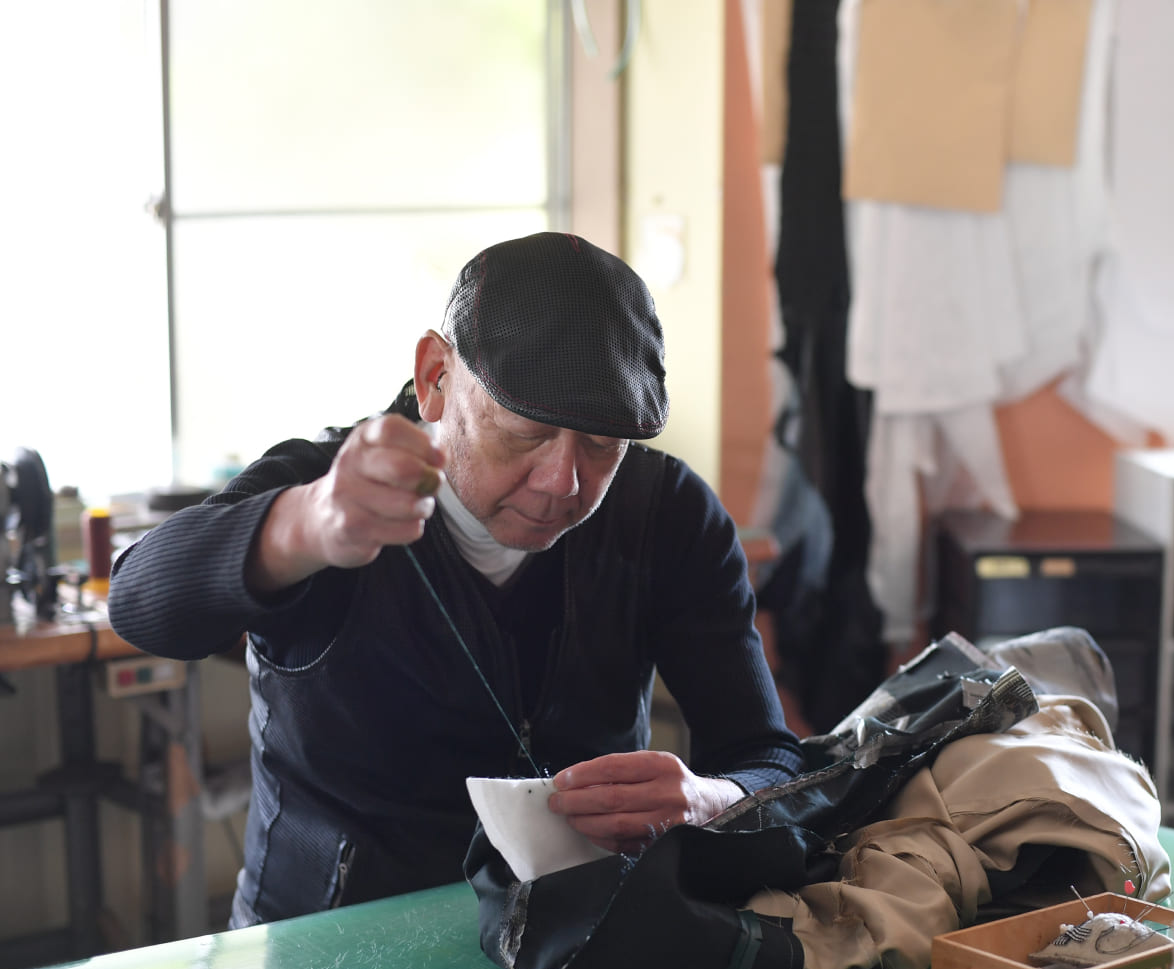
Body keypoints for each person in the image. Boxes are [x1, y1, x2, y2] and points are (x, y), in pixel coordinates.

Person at [109, 232, 806, 926]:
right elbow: (139, 604)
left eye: (601, 444)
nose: (562, 482)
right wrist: (303, 525)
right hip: (326, 952)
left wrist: (710, 801)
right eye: (523, 433)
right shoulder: (331, 489)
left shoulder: (667, 517)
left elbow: (767, 759)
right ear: (436, 376)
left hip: (571, 945)